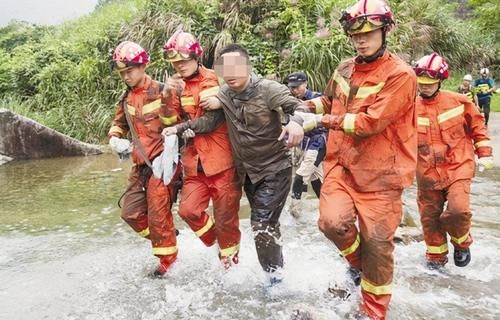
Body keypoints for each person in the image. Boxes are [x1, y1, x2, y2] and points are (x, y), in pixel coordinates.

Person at [305, 0, 417, 318]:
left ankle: (372, 312)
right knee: (331, 223)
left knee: (379, 246)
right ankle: (357, 266)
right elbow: (327, 103)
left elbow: (368, 123)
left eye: (369, 33)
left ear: (385, 31)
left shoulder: (401, 75)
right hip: (341, 163)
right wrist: (299, 108)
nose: (361, 40)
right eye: (355, 35)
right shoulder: (344, 67)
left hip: (383, 173)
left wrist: (320, 123)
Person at [201, 43, 305, 283]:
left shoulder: (268, 89)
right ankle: (278, 271)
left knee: (261, 224)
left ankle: (275, 281)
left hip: (275, 169)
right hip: (248, 174)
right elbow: (211, 111)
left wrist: (296, 122)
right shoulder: (225, 93)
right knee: (267, 225)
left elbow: (299, 105)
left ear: (248, 66)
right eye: (225, 68)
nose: (231, 73)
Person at [160, 30, 242, 269]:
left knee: (227, 218)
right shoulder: (177, 85)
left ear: (197, 57)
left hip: (222, 161)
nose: (180, 66)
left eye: (184, 61)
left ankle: (230, 267)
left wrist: (181, 128)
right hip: (194, 162)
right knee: (188, 210)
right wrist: (167, 95)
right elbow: (168, 121)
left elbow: (211, 121)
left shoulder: (214, 79)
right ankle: (218, 242)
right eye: (176, 63)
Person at [414, 53, 494, 270]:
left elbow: (478, 127)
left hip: (458, 166)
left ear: (441, 80)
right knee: (429, 218)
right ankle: (435, 259)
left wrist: (485, 154)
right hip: (426, 173)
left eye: (430, 83)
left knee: (458, 211)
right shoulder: (409, 109)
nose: (425, 87)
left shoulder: (459, 102)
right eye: (421, 84)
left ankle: (461, 242)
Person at [108, 41, 180, 276]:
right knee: (130, 214)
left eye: (130, 70)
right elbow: (118, 124)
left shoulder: (162, 90)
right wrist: (114, 138)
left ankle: (168, 263)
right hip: (140, 165)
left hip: (163, 165)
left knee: (159, 215)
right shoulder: (126, 98)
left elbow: (183, 121)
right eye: (122, 72)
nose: (126, 76)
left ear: (143, 65)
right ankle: (167, 237)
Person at [286, 71, 326, 218]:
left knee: (300, 175)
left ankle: (294, 212)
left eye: (297, 87)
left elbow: (325, 120)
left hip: (318, 142)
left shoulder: (317, 99)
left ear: (305, 84)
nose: (294, 90)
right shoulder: (290, 101)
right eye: (292, 87)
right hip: (304, 144)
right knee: (316, 179)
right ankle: (330, 209)